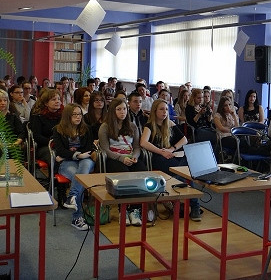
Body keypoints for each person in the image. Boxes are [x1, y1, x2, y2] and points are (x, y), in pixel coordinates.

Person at [140, 98, 202, 221]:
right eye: (161, 109)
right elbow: (143, 143)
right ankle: (191, 205)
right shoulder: (149, 126)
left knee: (186, 172)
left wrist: (172, 149)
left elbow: (184, 139)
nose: (165, 112)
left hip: (170, 155)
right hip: (157, 157)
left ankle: (188, 204)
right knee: (182, 173)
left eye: (166, 109)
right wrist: (162, 152)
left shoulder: (169, 124)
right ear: (155, 111)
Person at [98, 98, 148, 226]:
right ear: (113, 111)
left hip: (131, 156)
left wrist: (135, 157)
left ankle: (135, 209)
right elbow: (105, 149)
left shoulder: (132, 126)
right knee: (124, 174)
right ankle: (123, 210)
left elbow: (137, 147)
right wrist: (121, 158)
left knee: (141, 172)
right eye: (119, 109)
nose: (122, 112)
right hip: (114, 159)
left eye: (124, 109)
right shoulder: (105, 127)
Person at [52, 103, 95, 231]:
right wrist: (76, 155)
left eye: (79, 114)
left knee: (83, 170)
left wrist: (77, 155)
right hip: (68, 162)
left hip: (85, 160)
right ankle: (77, 216)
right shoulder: (58, 129)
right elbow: (59, 150)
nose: (78, 117)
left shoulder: (86, 129)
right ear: (67, 116)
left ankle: (72, 198)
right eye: (74, 114)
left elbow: (89, 148)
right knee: (80, 179)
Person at [29, 88, 63, 168]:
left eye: (58, 99)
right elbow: (36, 136)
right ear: (46, 103)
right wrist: (53, 142)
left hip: (61, 145)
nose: (57, 101)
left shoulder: (63, 115)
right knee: (54, 155)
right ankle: (53, 179)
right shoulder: (38, 116)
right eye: (53, 99)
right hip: (45, 146)